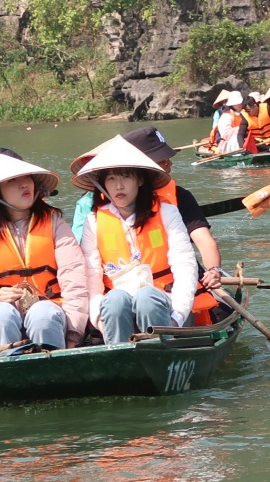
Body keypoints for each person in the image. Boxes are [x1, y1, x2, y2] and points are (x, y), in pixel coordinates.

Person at [0, 153, 88, 353]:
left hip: (53, 310)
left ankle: (55, 372)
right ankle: (4, 374)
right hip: (0, 315)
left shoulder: (55, 223)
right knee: (2, 314)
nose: (24, 185)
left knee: (42, 313)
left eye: (26, 178)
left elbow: (75, 281)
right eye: (12, 180)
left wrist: (74, 332)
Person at [74, 136, 198, 343]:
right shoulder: (93, 220)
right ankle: (119, 361)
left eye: (126, 177)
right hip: (116, 309)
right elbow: (91, 278)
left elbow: (184, 265)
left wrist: (177, 316)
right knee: (114, 300)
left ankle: (161, 352)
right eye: (111, 179)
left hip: (164, 302)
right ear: (103, 184)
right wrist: (99, 321)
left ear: (140, 180)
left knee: (146, 298)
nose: (119, 186)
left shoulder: (167, 212)